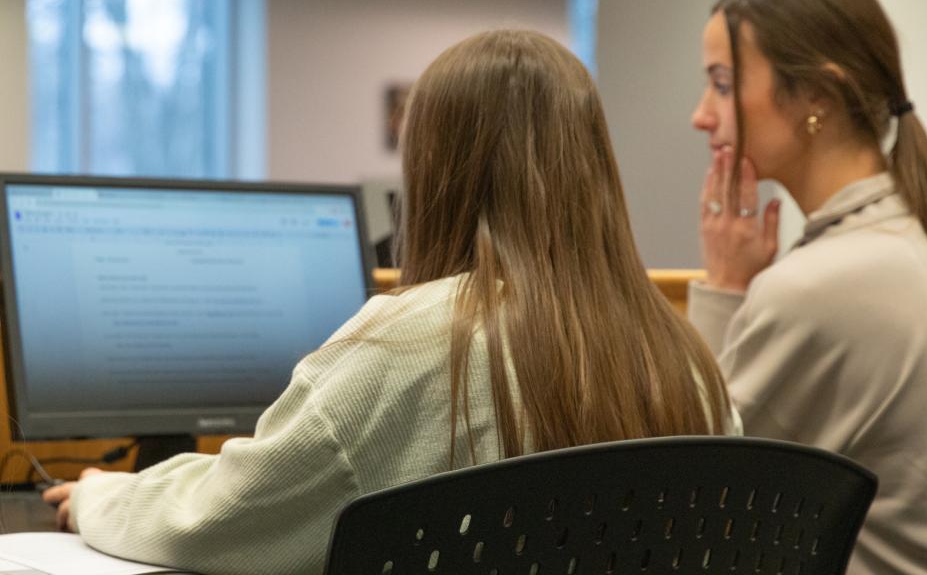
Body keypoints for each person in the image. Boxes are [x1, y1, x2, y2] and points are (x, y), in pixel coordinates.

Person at [44, 29, 734, 575]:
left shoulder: (403, 348)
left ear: (434, 171)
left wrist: (103, 496)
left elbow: (226, 516)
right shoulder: (685, 362)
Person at [688, 0, 927, 575]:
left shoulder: (819, 287)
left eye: (721, 82)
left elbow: (699, 504)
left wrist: (726, 289)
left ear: (816, 96)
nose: (701, 115)